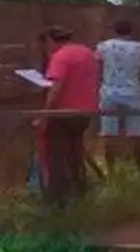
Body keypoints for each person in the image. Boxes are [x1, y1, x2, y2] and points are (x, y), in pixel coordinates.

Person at [36, 25, 99, 207]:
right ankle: (80, 190)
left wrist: (45, 113)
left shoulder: (60, 57)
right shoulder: (87, 53)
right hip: (85, 110)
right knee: (74, 150)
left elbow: (56, 89)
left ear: (51, 41)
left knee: (55, 154)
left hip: (64, 111)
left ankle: (58, 198)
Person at [95, 19, 140, 171]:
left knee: (108, 133)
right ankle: (139, 167)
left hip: (109, 91)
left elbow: (98, 66)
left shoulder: (104, 46)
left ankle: (110, 168)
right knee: (136, 132)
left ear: (114, 30)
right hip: (132, 92)